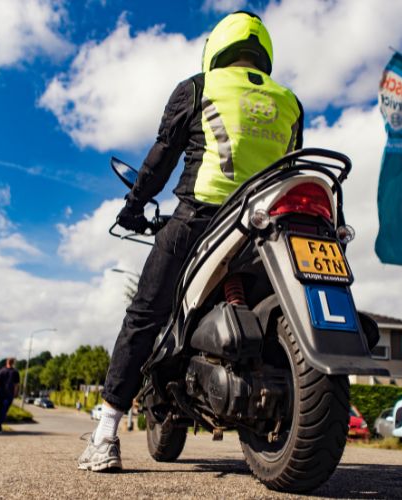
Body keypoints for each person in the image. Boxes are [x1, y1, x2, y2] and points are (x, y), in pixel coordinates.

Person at [77, 10, 303, 472]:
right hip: (268, 231)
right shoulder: (290, 102)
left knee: (143, 314)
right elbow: (291, 164)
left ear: (216, 48)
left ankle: (105, 434)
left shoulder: (200, 87)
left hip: (202, 220)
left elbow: (161, 158)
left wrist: (133, 205)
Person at [0, 357, 20, 433]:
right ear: (13, 363)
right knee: (4, 409)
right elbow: (16, 385)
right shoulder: (15, 372)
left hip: (1, 393)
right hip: (9, 394)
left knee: (0, 409)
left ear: (6, 362)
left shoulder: (0, 371)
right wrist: (15, 394)